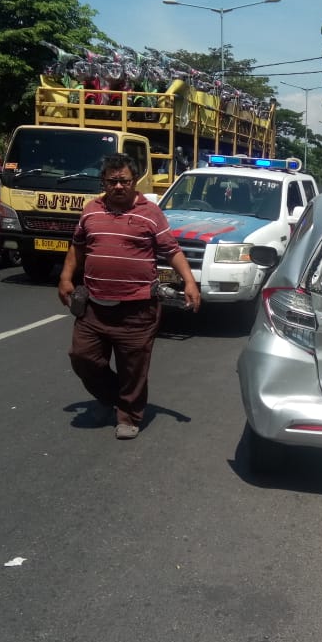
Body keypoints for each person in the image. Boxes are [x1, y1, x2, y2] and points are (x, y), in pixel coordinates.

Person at [58, 153, 200, 440]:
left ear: (134, 181)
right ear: (104, 182)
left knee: (133, 368)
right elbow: (78, 246)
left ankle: (128, 414)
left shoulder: (150, 213)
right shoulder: (91, 210)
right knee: (82, 357)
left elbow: (171, 250)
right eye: (112, 181)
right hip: (94, 307)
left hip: (137, 310)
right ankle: (115, 397)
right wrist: (65, 277)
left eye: (124, 181)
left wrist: (189, 281)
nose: (118, 187)